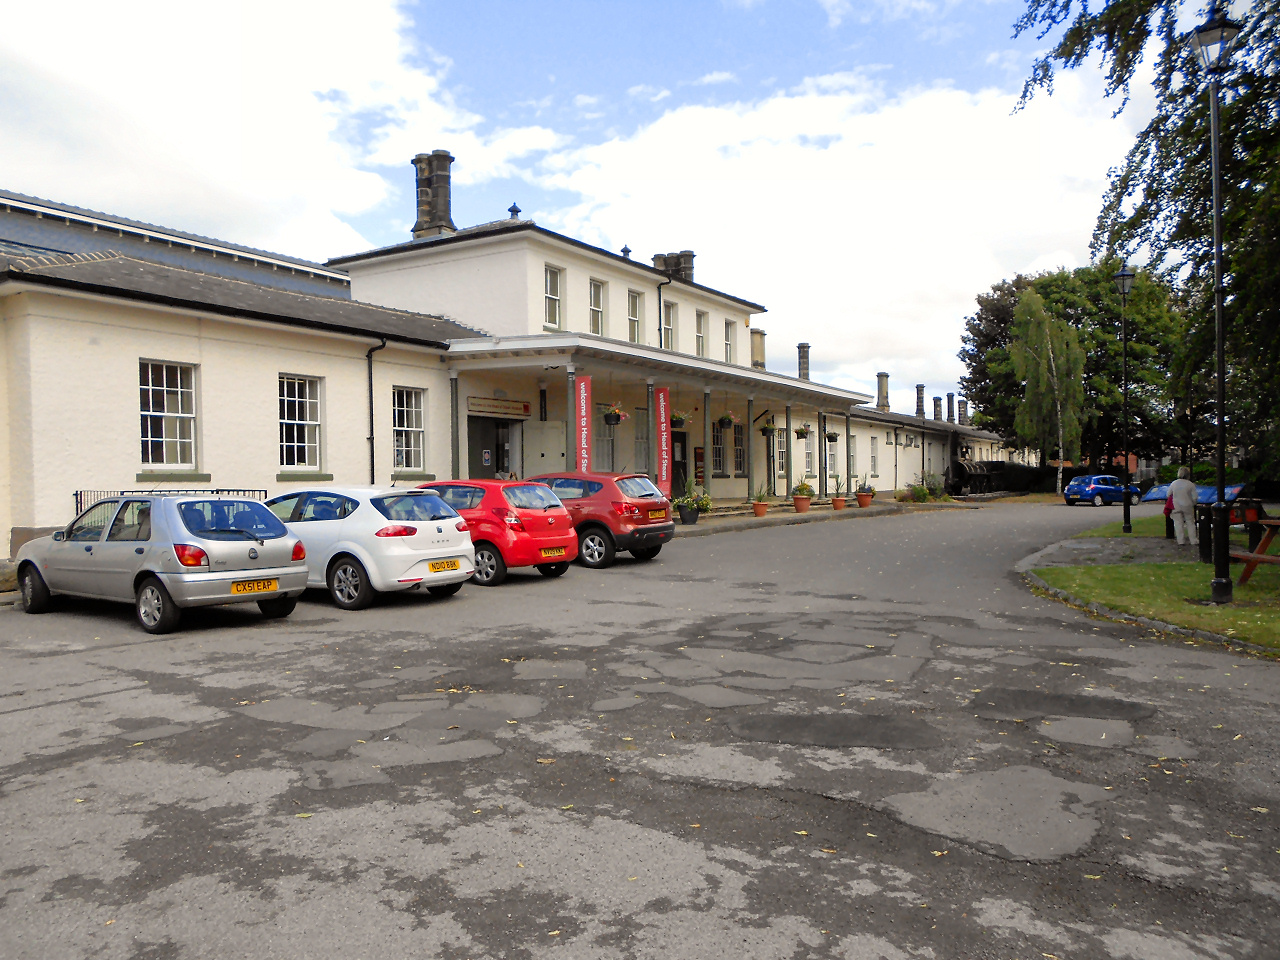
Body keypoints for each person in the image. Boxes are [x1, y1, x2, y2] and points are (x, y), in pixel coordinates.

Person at [1168, 466, 1198, 546]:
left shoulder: (1174, 483)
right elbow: (1195, 497)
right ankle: (1193, 540)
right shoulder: (1190, 484)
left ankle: (1180, 541)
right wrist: (1194, 503)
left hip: (1176, 505)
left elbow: (1168, 494)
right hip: (1187, 505)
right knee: (1190, 523)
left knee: (1178, 523)